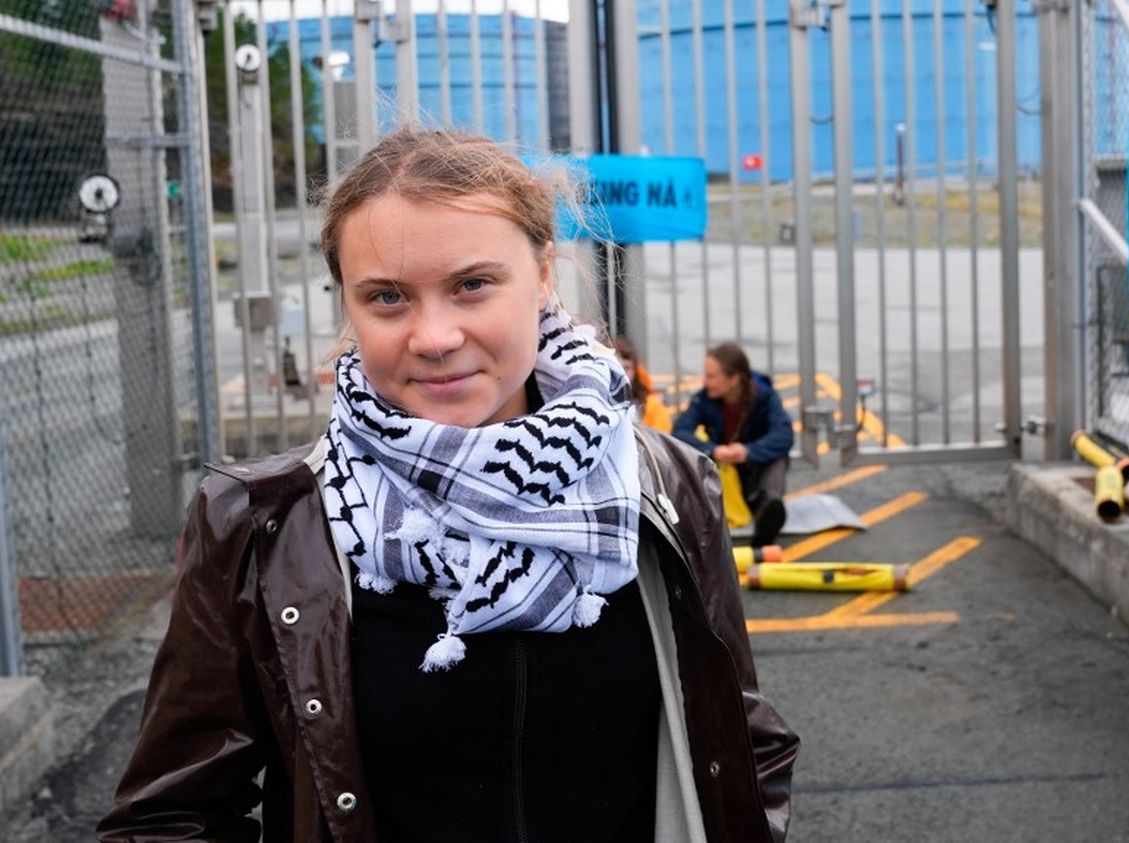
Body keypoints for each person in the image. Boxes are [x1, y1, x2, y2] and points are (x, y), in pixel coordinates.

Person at [98, 129, 797, 842]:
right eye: (388, 297)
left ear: (544, 272)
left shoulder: (669, 486)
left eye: (472, 284)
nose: (433, 336)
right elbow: (170, 812)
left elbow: (741, 744)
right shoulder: (263, 522)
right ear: (350, 304)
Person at [671, 343, 793, 548]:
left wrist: (748, 452)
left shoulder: (764, 396)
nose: (705, 382)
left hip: (754, 469)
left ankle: (769, 510)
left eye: (711, 376)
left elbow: (783, 434)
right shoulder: (704, 399)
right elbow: (679, 431)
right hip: (722, 472)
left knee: (777, 459)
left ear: (734, 379)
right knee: (692, 454)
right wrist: (712, 450)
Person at [613, 336, 672, 433]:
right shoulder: (596, 406)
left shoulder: (653, 408)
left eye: (627, 368)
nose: (622, 374)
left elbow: (660, 442)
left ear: (636, 370)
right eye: (617, 368)